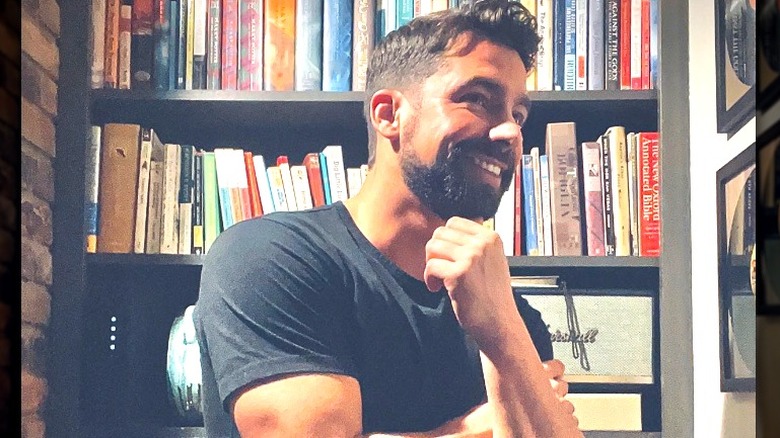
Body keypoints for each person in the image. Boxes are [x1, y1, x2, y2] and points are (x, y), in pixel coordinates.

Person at [194, 0, 582, 436]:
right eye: (477, 99)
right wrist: (475, 429)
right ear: (388, 114)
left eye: (518, 114)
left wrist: (504, 333)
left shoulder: (509, 316)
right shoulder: (271, 258)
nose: (511, 131)